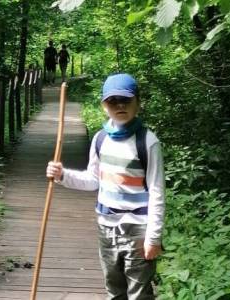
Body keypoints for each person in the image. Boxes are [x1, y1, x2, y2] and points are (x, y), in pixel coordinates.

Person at [46, 73, 164, 299]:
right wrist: (62, 175)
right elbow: (93, 180)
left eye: (126, 100)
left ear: (138, 102)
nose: (120, 105)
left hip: (138, 228)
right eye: (113, 101)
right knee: (113, 289)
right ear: (103, 105)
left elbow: (157, 192)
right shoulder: (100, 139)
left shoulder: (148, 141)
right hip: (106, 226)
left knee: (139, 293)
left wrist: (153, 237)